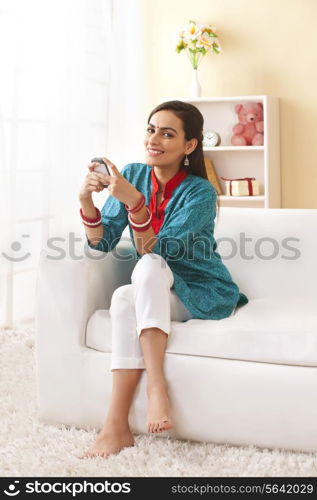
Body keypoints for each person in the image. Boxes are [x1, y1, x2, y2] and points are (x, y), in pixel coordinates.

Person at [78, 100, 248, 459]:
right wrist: (86, 200)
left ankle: (157, 387)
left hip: (200, 291)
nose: (154, 139)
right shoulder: (135, 175)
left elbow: (160, 249)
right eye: (151, 129)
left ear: (189, 146)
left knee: (149, 264)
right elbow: (103, 242)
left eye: (167, 133)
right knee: (126, 296)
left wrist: (135, 204)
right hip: (155, 285)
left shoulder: (200, 193)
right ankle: (116, 426)